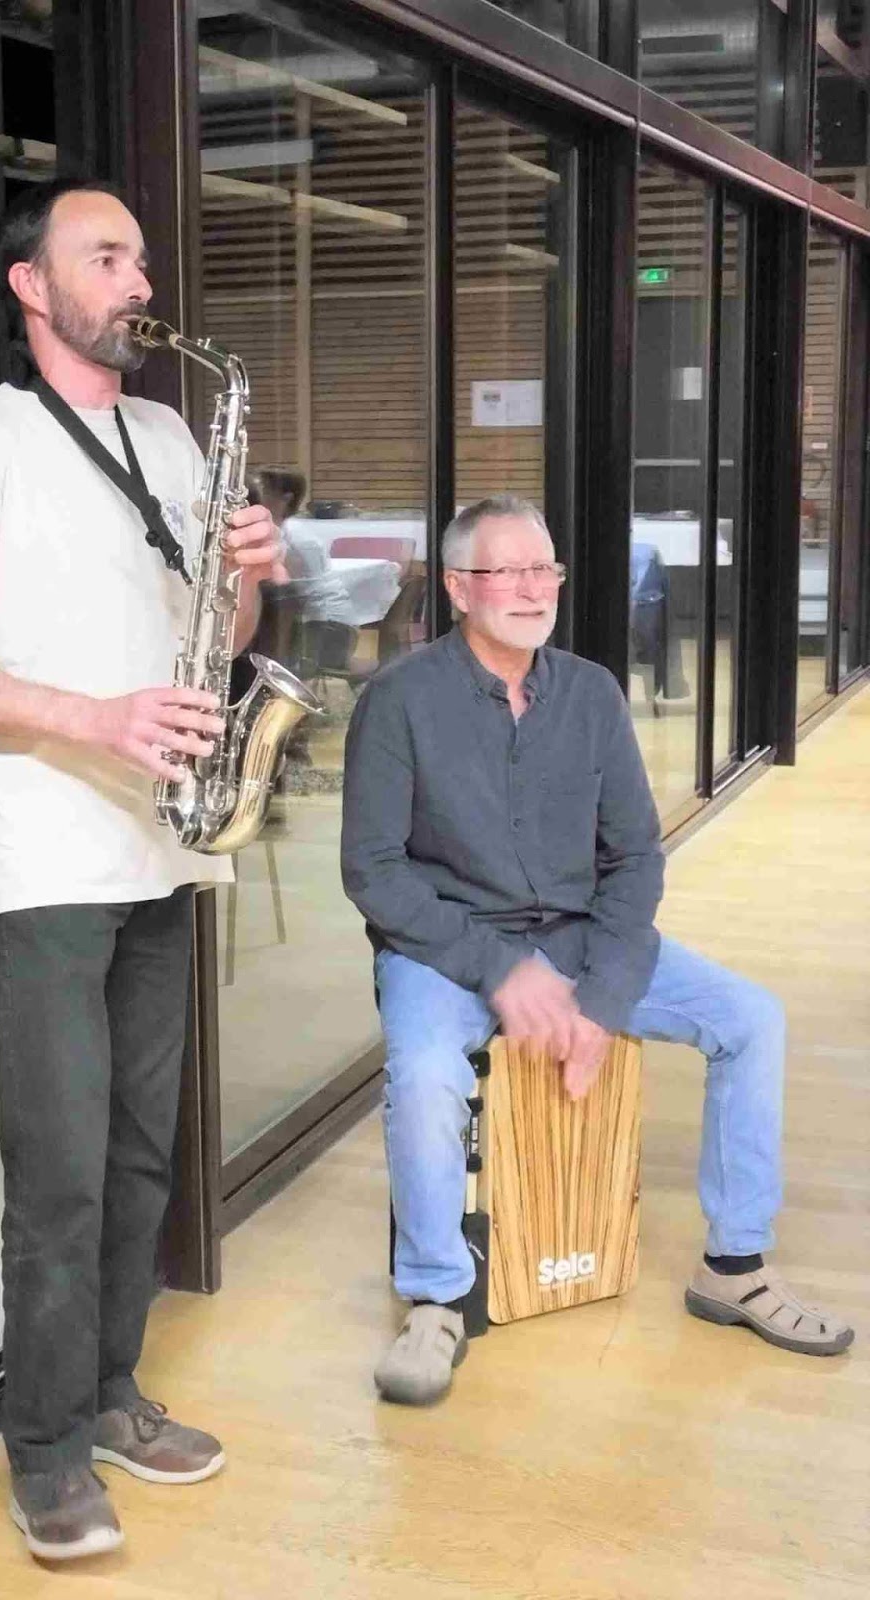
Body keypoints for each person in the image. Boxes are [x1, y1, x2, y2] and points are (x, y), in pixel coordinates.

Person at [0, 178, 286, 1560]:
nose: (138, 281)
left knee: (136, 1155)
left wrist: (250, 570)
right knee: (57, 1170)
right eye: (105, 257)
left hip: (162, 844)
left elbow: (224, 639)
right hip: (48, 854)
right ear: (32, 286)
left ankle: (111, 1392)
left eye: (140, 259)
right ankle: (46, 1451)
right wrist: (96, 719)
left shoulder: (173, 435)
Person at [340, 493, 854, 1407]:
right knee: (424, 1072)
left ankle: (734, 1267)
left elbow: (635, 858)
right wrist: (503, 972)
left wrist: (603, 1000)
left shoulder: (591, 693)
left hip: (580, 937)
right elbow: (374, 873)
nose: (533, 588)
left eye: (545, 568)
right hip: (446, 946)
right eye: (508, 570)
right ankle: (436, 1297)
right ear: (458, 587)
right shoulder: (398, 701)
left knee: (751, 1019)